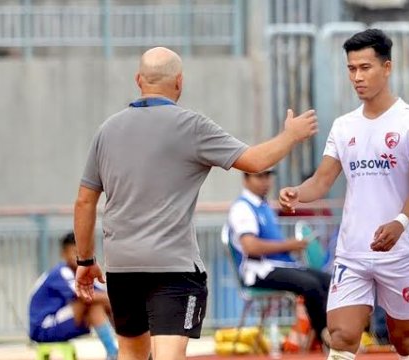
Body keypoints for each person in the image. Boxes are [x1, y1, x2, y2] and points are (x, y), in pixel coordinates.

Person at [73, 47, 318, 360]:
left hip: (122, 267)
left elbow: (84, 201)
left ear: (138, 80)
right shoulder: (191, 126)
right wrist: (291, 136)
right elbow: (255, 161)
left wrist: (85, 261)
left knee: (131, 353)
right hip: (173, 266)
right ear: (179, 82)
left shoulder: (106, 131)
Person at [279, 29, 409, 360]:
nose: (357, 77)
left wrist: (400, 222)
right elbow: (321, 181)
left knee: (405, 340)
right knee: (342, 336)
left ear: (387, 67)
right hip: (352, 253)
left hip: (398, 251)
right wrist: (297, 193)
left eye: (365, 67)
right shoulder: (343, 126)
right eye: (351, 69)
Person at [227, 169, 331, 344]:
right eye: (260, 176)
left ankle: (337, 331)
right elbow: (250, 246)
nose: (266, 181)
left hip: (279, 266)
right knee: (310, 285)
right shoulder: (242, 208)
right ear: (246, 179)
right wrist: (289, 245)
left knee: (329, 281)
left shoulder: (264, 206)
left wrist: (291, 248)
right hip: (259, 271)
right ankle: (325, 336)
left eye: (268, 176)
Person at [29, 232, 118, 360]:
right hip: (43, 328)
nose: (78, 257)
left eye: (81, 252)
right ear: (63, 254)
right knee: (92, 301)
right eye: (74, 252)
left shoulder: (82, 271)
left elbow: (104, 293)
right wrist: (121, 298)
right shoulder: (61, 272)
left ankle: (125, 346)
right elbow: (85, 296)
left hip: (59, 321)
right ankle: (118, 349)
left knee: (101, 303)